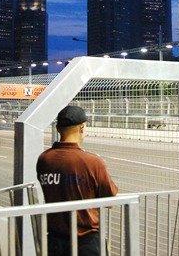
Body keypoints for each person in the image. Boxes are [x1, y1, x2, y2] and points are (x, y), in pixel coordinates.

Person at [36, 105, 118, 256]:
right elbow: (110, 198)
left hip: (54, 240)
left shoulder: (44, 159)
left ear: (59, 128)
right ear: (82, 128)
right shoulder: (93, 162)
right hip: (86, 241)